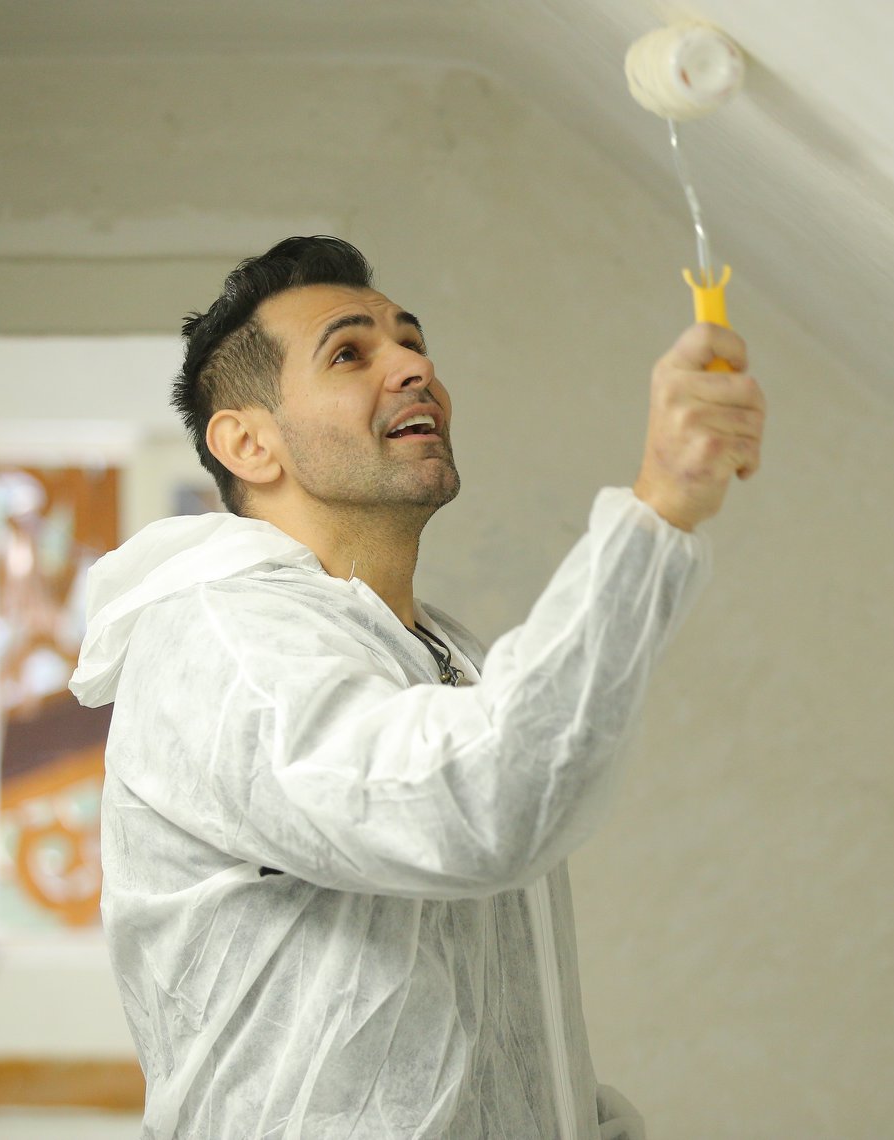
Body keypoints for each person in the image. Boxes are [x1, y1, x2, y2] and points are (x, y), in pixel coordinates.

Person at [69, 235, 765, 1139]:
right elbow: (477, 806)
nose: (413, 368)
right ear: (247, 443)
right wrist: (659, 507)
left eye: (412, 340)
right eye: (349, 353)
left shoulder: (436, 652)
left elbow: (482, 1029)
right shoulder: (221, 645)